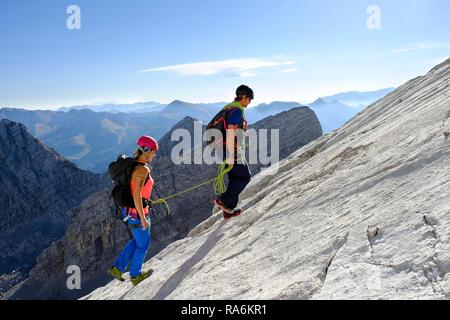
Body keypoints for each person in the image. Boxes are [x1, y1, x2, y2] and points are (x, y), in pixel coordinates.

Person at [108, 135, 158, 286]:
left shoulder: (134, 166)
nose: (154, 155)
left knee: (137, 241)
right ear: (146, 150)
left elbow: (138, 193)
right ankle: (135, 275)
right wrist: (143, 217)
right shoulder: (141, 170)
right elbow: (136, 194)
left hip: (131, 212)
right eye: (153, 152)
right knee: (143, 244)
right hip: (137, 214)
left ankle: (117, 268)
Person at [214, 85, 253, 219]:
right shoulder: (236, 111)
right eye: (249, 99)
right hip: (231, 150)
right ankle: (223, 200)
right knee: (245, 177)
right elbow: (230, 130)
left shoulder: (229, 108)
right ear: (245, 97)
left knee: (234, 178)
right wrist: (232, 152)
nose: (249, 102)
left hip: (223, 149)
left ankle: (228, 210)